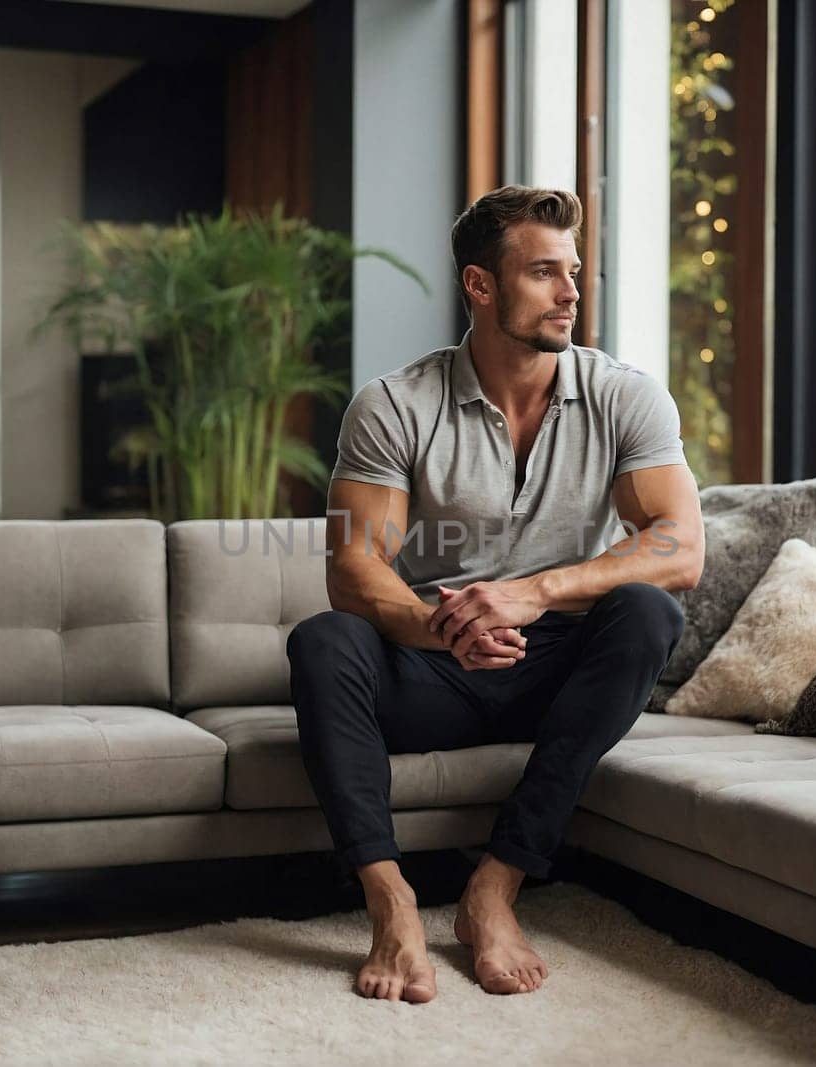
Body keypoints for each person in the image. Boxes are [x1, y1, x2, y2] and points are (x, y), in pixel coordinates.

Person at [286, 185, 703, 1004]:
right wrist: (445, 626)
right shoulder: (395, 404)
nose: (571, 291)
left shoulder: (626, 396)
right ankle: (391, 900)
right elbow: (355, 568)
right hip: (437, 664)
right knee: (323, 639)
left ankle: (495, 888)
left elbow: (681, 547)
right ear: (480, 286)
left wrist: (535, 591)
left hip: (557, 671)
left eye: (574, 271)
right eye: (544, 271)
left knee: (650, 609)